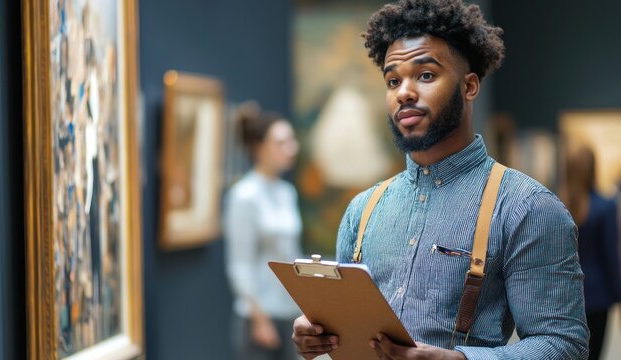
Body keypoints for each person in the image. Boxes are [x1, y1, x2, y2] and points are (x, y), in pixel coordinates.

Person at [291, 1, 589, 359]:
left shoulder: (527, 207)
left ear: (470, 86)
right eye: (393, 80)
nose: (404, 92)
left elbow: (563, 345)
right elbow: (345, 328)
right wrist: (318, 334)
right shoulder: (363, 210)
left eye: (426, 75)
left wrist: (461, 359)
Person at [224, 102, 303, 360]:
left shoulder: (286, 192)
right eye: (281, 142)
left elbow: (291, 254)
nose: (291, 148)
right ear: (259, 147)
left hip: (289, 312)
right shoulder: (245, 196)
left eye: (291, 140)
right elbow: (240, 263)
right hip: (259, 315)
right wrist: (259, 319)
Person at [563, 147, 620, 360]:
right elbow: (610, 256)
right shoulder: (605, 206)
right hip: (598, 296)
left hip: (564, 297)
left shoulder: (557, 203)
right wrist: (617, 293)